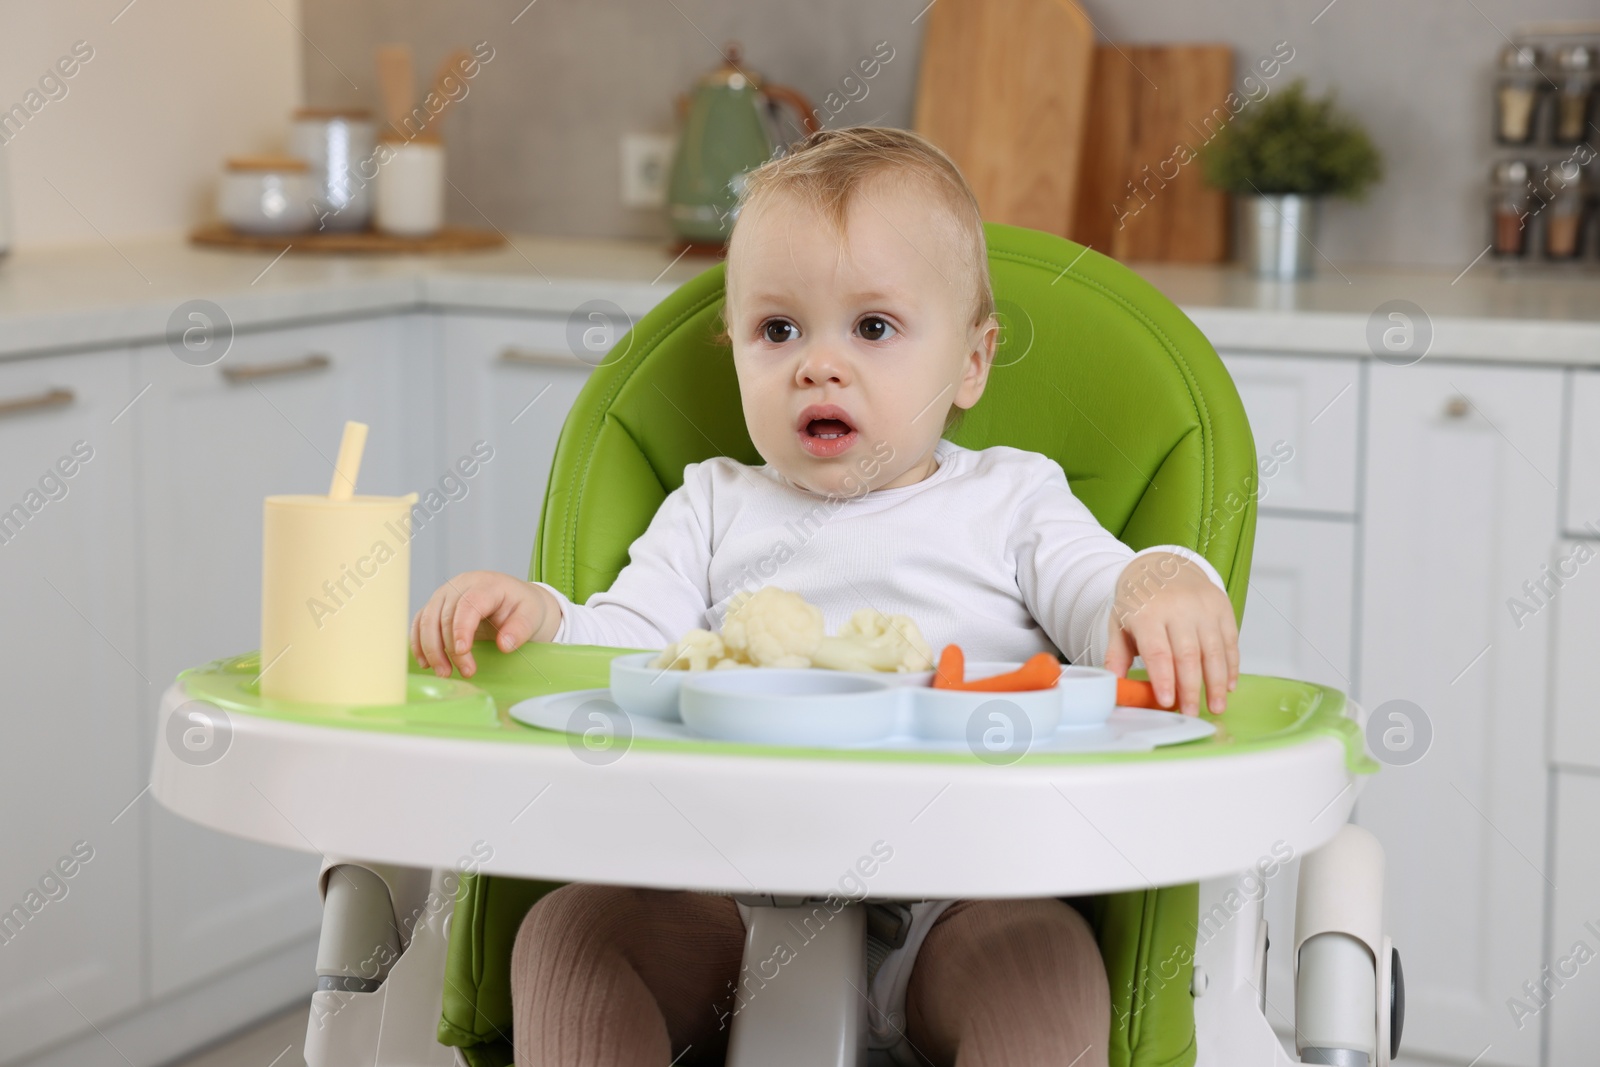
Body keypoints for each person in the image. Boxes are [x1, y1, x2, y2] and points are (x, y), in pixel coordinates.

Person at [411, 125, 1240, 1067]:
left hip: (962, 899)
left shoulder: (1014, 497)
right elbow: (626, 649)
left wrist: (1161, 579)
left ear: (973, 361)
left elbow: (1102, 601)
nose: (819, 363)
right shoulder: (713, 504)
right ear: (734, 349)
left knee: (1049, 972)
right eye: (778, 330)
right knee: (570, 937)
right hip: (719, 892)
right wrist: (539, 617)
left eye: (874, 327)